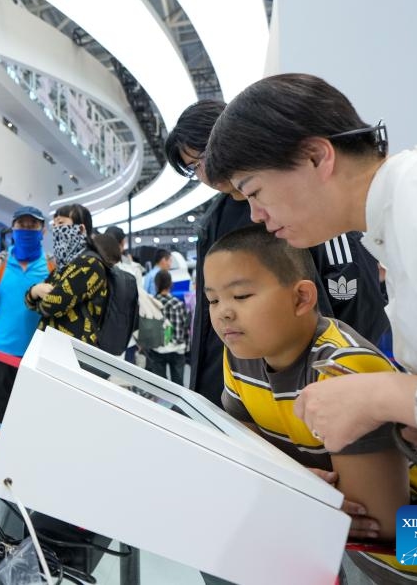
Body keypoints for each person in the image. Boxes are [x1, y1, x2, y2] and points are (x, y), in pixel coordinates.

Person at [202, 73, 417, 458]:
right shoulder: (396, 224)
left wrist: (388, 396)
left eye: (255, 191)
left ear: (316, 157)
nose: (256, 215)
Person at [205, 224, 417, 584]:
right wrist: (293, 485)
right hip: (340, 548)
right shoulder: (240, 354)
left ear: (301, 297)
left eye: (241, 296)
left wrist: (287, 486)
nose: (224, 313)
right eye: (213, 300)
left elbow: (374, 524)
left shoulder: (343, 366)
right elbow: (251, 454)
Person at [165, 99, 390, 407]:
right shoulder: (213, 221)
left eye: (206, 155)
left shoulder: (299, 199)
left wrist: (343, 372)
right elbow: (209, 313)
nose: (206, 172)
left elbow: (355, 297)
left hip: (314, 384)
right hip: (237, 387)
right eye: (194, 167)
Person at [0, 206, 52, 423]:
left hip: (37, 355)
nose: (26, 229)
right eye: (21, 225)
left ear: (43, 231)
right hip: (1, 353)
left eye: (32, 225)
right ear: (13, 228)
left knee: (31, 419)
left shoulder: (51, 265)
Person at [26, 204, 107, 346]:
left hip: (71, 350)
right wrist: (34, 291)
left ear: (80, 229)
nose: (56, 229)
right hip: (52, 346)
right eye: (54, 224)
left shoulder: (89, 264)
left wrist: (36, 293)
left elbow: (51, 305)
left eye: (61, 223)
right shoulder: (63, 266)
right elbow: (31, 302)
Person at [103, 226, 147, 363]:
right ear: (122, 244)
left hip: (100, 336)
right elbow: (139, 304)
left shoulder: (96, 264)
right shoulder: (133, 269)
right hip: (126, 338)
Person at [144, 270, 189, 386]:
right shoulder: (178, 303)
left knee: (160, 387)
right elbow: (185, 327)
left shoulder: (151, 303)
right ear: (170, 284)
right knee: (178, 386)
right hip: (177, 349)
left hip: (157, 349)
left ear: (156, 285)